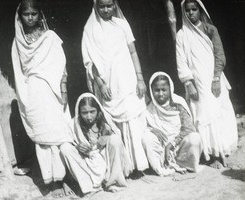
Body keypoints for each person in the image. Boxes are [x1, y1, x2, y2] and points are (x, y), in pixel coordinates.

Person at [11, 0, 73, 197]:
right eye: (26, 14)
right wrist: (25, 98)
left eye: (34, 14)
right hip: (35, 92)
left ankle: (64, 178)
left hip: (53, 89)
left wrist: (63, 89)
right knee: (44, 137)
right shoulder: (18, 44)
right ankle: (52, 182)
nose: (30, 18)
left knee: (60, 132)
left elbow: (62, 65)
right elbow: (19, 73)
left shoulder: (50, 37)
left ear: (40, 15)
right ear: (20, 17)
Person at [81, 0, 149, 172]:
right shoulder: (90, 29)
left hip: (127, 79)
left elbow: (133, 51)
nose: (106, 9)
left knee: (133, 116)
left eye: (109, 5)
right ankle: (125, 167)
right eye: (102, 6)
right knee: (112, 122)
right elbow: (90, 61)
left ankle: (140, 164)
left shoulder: (122, 24)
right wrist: (100, 83)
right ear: (96, 6)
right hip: (107, 84)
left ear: (114, 5)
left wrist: (140, 78)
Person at [176, 0, 238, 168]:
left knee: (218, 113)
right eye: (187, 10)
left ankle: (221, 151)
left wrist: (216, 78)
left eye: (194, 9)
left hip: (213, 79)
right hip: (197, 83)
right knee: (204, 115)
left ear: (200, 10)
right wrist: (188, 83)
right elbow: (181, 61)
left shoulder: (210, 30)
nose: (190, 13)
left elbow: (220, 56)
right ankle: (210, 155)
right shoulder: (182, 35)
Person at [60, 93, 133, 196]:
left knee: (115, 139)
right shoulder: (73, 125)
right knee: (65, 148)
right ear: (78, 112)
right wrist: (77, 147)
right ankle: (88, 186)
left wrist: (104, 139)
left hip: (104, 159)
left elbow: (116, 137)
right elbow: (69, 142)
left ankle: (114, 182)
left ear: (98, 110)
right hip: (86, 161)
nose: (89, 116)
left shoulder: (104, 122)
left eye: (92, 112)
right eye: (84, 113)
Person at [142, 72, 203, 176]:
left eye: (164, 90)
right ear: (151, 91)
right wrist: (152, 130)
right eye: (157, 90)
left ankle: (184, 164)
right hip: (162, 147)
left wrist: (172, 144)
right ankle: (161, 167)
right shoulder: (149, 108)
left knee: (195, 137)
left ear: (170, 89)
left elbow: (189, 128)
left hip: (179, 146)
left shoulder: (178, 103)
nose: (161, 94)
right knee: (146, 137)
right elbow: (143, 127)